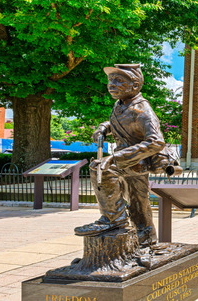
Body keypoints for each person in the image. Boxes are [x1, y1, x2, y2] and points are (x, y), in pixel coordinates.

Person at [74, 64, 177, 246]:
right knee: (138, 204)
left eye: (118, 81)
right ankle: (144, 238)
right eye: (110, 80)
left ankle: (113, 219)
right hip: (126, 162)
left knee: (103, 170)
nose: (111, 85)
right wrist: (104, 127)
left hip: (136, 162)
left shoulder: (143, 109)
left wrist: (115, 158)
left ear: (135, 85)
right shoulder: (120, 105)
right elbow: (121, 122)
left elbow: (156, 141)